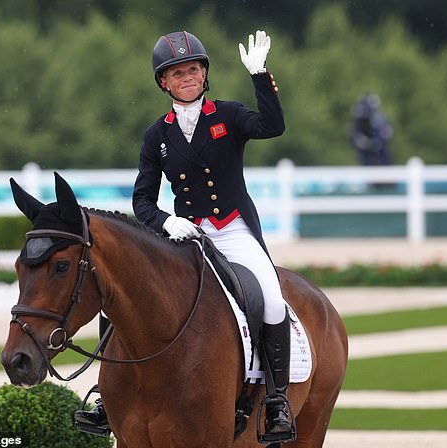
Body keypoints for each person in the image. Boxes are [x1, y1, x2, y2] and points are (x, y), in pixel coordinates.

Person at [80, 30, 294, 442]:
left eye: (193, 70)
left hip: (232, 230)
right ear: (165, 82)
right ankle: (106, 398)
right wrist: (165, 222)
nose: (187, 78)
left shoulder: (228, 115)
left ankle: (277, 401)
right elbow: (142, 200)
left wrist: (260, 75)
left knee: (270, 296)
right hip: (185, 235)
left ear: (204, 73)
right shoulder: (156, 135)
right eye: (178, 73)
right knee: (124, 295)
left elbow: (273, 126)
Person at [348, 93, 393, 167]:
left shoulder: (379, 120)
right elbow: (354, 136)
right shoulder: (360, 120)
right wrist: (361, 140)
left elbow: (386, 134)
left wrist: (373, 143)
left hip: (381, 159)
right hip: (366, 160)